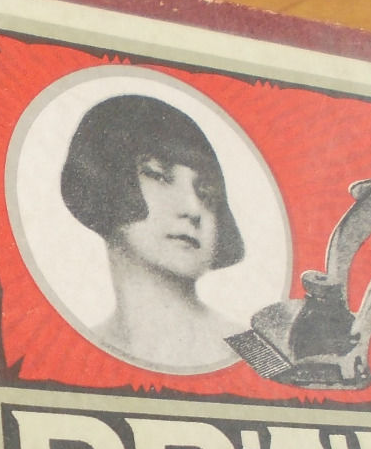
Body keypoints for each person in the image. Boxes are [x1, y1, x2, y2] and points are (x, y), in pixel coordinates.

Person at [60, 93, 244, 370]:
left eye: (206, 192)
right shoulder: (75, 357)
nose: (193, 208)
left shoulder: (247, 354)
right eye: (158, 175)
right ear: (108, 181)